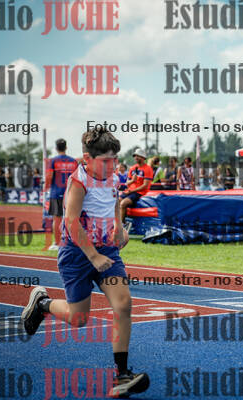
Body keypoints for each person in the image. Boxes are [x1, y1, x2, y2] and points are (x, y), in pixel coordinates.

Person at [21, 126, 149, 398]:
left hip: (107, 252)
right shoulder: (78, 182)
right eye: (106, 160)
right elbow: (70, 221)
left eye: (115, 159)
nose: (112, 165)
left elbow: (114, 202)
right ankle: (42, 303)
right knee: (78, 318)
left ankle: (122, 375)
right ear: (88, 159)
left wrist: (119, 228)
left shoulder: (113, 177)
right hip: (77, 255)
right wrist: (93, 256)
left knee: (123, 304)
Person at [46, 139, 78, 251]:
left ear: (56, 148)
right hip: (71, 194)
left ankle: (57, 243)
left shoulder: (53, 161)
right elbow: (77, 177)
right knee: (73, 219)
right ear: (66, 147)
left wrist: (46, 188)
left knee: (57, 219)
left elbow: (49, 176)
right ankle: (73, 242)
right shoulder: (73, 161)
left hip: (56, 193)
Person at [120, 148, 153, 225]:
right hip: (130, 191)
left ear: (143, 157)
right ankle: (118, 223)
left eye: (138, 156)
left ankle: (122, 225)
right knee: (116, 202)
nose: (136, 157)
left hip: (139, 192)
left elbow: (145, 186)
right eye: (135, 156)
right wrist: (132, 180)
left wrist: (131, 191)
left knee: (123, 203)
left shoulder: (148, 169)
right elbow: (127, 183)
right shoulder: (132, 168)